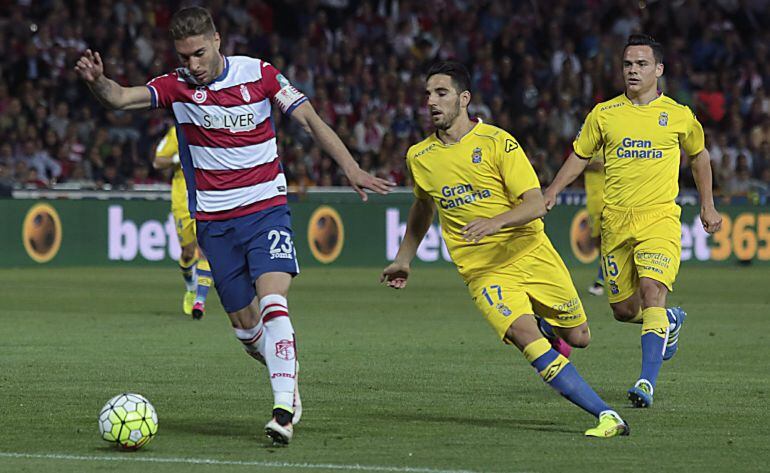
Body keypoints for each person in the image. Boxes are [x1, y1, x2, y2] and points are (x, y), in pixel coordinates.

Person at [75, 6, 394, 445]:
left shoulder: (260, 74)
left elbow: (309, 120)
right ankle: (287, 371)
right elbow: (119, 97)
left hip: (265, 209)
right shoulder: (176, 87)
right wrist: (97, 82)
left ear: (218, 40)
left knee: (273, 301)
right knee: (246, 330)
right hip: (214, 223)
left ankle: (282, 409)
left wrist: (351, 167)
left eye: (199, 54)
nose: (193, 65)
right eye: (185, 56)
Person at [381, 61, 629, 438]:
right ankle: (606, 415)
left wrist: (495, 223)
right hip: (483, 272)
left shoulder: (498, 143)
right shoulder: (420, 156)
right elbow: (422, 206)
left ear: (464, 99)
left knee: (580, 338)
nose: (431, 101)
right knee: (522, 336)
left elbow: (536, 202)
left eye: (441, 93)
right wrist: (403, 258)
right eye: (428, 94)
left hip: (530, 251)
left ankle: (550, 326)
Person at [544, 34, 722, 408]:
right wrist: (554, 190)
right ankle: (668, 322)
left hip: (659, 218)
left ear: (658, 69)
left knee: (653, 292)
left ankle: (645, 382)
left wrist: (708, 204)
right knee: (625, 310)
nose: (633, 71)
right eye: (628, 64)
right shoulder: (604, 113)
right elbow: (579, 155)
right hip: (615, 223)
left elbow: (700, 156)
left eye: (641, 64)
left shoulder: (678, 115)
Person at [153, 125, 212, 320]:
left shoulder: (213, 128)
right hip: (182, 202)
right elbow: (157, 162)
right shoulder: (176, 132)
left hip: (207, 197)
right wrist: (178, 158)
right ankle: (190, 288)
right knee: (188, 253)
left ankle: (200, 301)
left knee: (205, 249)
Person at [584, 151, 606, 296]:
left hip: (608, 198)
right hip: (592, 202)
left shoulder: (610, 139)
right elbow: (576, 163)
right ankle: (606, 274)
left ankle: (600, 280)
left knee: (607, 240)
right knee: (597, 241)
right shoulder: (587, 142)